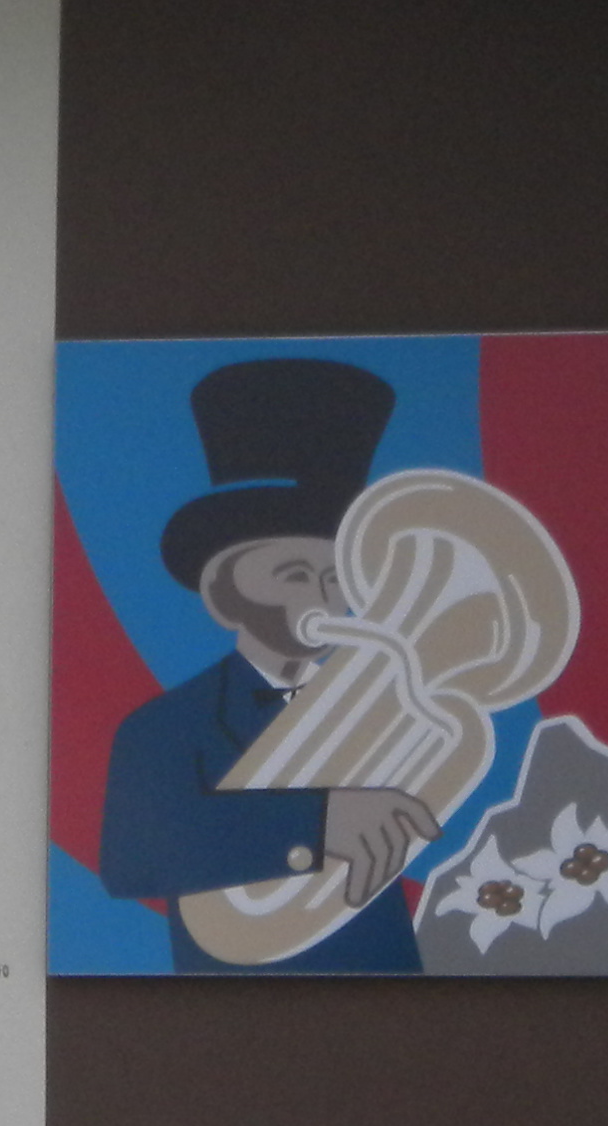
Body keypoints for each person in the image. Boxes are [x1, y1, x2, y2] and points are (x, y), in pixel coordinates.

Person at [99, 357, 439, 973]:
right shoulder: (160, 727)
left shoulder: (388, 705)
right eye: (293, 575)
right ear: (224, 596)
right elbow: (132, 861)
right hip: (234, 991)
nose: (322, 599)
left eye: (336, 578)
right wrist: (321, 822)